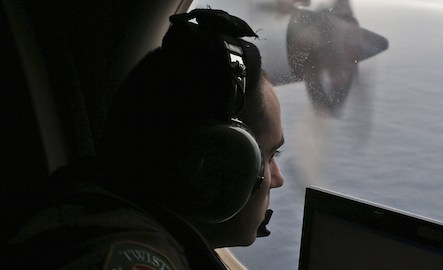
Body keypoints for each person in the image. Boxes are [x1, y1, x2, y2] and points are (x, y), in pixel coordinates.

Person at [5, 9, 284, 270]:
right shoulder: (134, 254)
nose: (277, 178)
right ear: (215, 167)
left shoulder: (94, 213)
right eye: (270, 156)